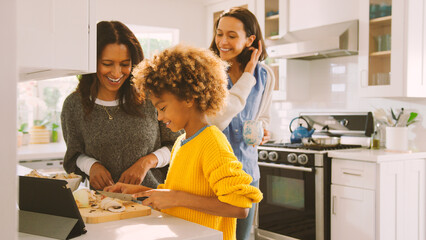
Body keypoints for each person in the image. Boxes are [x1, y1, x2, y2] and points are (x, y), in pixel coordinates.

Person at [105, 44, 263, 240]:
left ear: (188, 98)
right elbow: (179, 194)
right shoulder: (181, 142)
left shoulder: (212, 142)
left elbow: (239, 207)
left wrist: (176, 198)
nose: (159, 117)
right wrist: (141, 191)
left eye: (162, 108)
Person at [61, 21, 180, 190]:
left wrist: (147, 162)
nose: (117, 73)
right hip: (102, 206)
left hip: (153, 202)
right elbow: (74, 155)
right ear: (92, 62)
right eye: (107, 64)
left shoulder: (151, 97)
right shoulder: (74, 105)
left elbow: (178, 145)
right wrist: (92, 166)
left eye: (125, 64)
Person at [209, 7, 275, 240]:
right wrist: (246, 76)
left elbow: (263, 115)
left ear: (250, 40)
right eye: (219, 34)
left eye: (232, 36)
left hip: (247, 172)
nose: (222, 42)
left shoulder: (265, 75)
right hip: (213, 174)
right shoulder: (208, 72)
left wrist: (265, 131)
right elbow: (213, 123)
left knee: (242, 238)